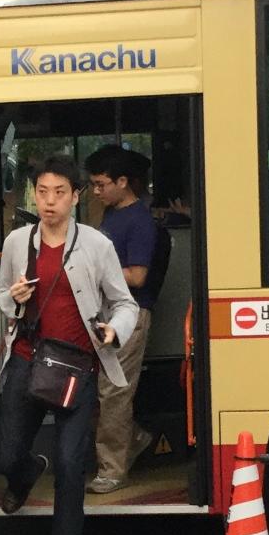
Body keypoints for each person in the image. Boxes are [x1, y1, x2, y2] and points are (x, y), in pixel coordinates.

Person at [0, 154, 139, 535]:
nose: (49, 202)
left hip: (77, 365)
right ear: (32, 194)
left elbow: (125, 303)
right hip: (27, 359)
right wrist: (13, 298)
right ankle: (25, 472)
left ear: (76, 196)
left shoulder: (96, 245)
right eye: (41, 192)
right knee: (5, 451)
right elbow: (2, 297)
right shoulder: (18, 242)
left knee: (73, 466)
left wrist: (115, 331)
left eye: (59, 193)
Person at [84, 145, 165, 493]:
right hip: (105, 315)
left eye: (102, 184)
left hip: (128, 315)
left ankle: (112, 470)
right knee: (98, 391)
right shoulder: (112, 215)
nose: (97, 191)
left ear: (123, 182)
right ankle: (134, 438)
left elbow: (137, 276)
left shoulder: (140, 222)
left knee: (113, 393)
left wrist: (95, 269)